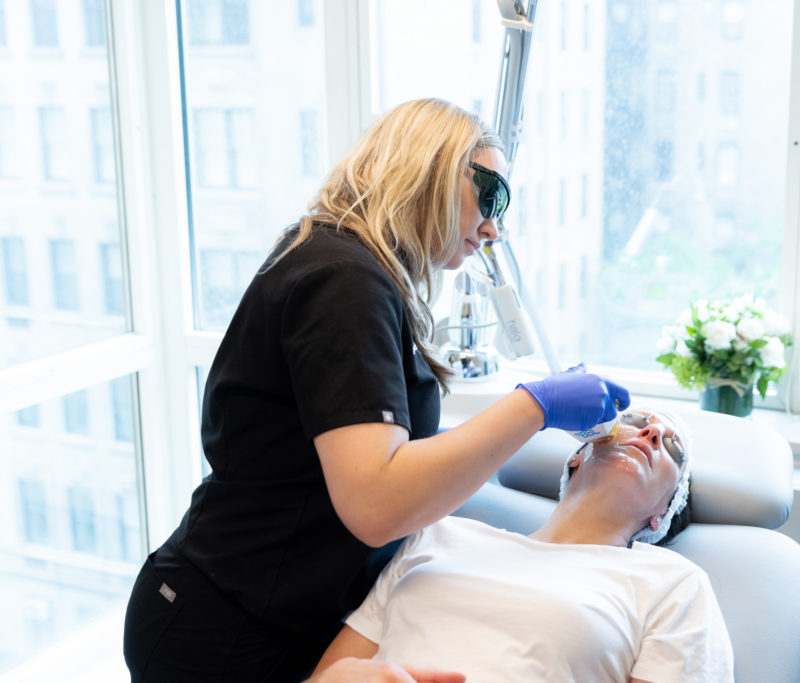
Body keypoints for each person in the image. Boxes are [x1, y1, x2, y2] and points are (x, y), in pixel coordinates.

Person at [122, 97, 629, 682]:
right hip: (222, 624)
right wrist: (534, 406)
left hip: (272, 612)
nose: (494, 227)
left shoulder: (347, 266)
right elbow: (377, 501)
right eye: (490, 197)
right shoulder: (343, 280)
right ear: (429, 172)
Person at [311, 409, 735, 683]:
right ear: (576, 457)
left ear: (662, 513)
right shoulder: (439, 534)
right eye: (634, 419)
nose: (652, 433)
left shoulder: (671, 583)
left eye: (673, 447)